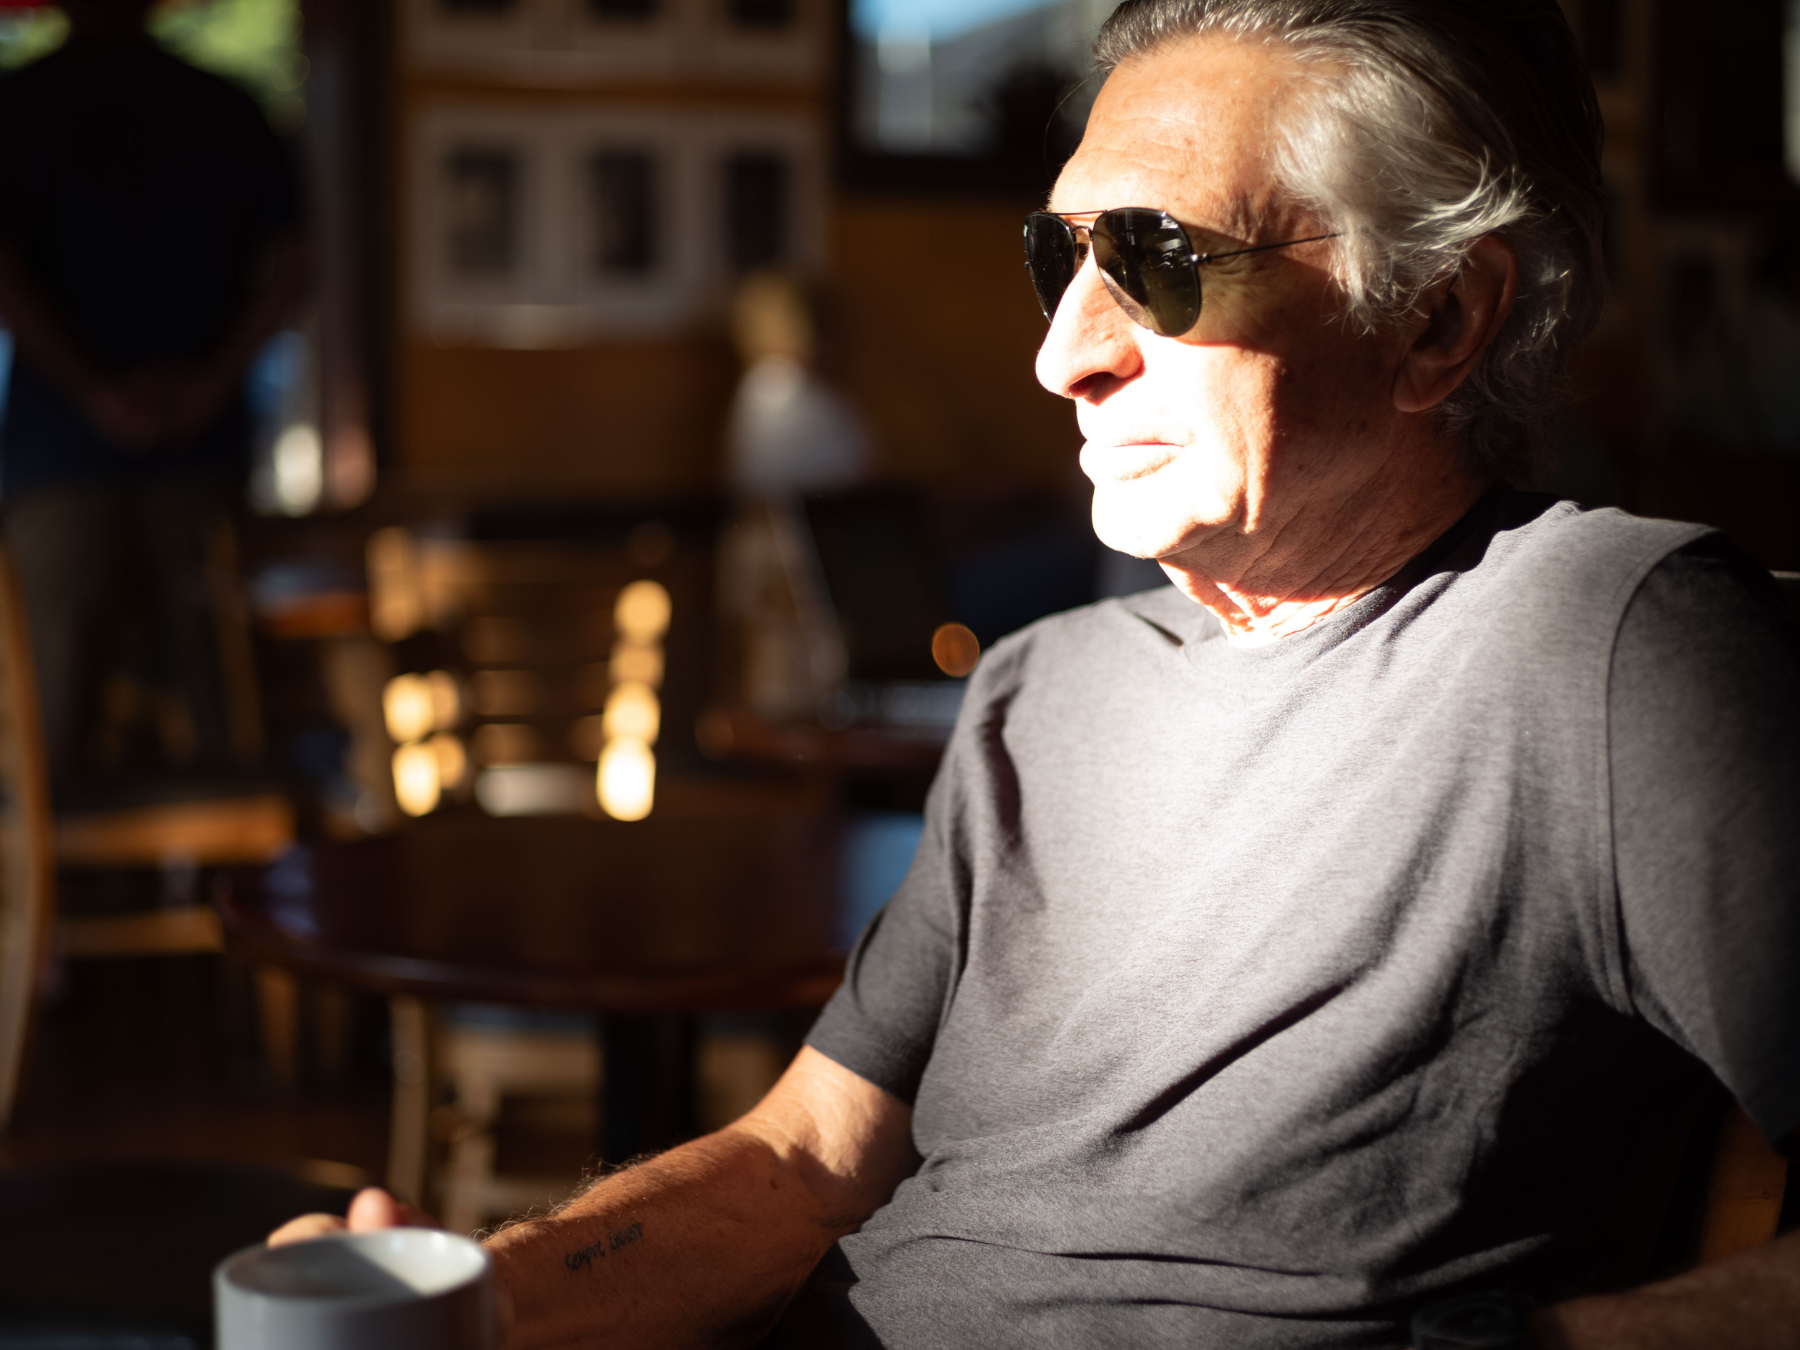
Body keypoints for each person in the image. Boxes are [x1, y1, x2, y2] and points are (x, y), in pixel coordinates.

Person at [276, 2, 1800, 1345]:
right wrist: (483, 1302)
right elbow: (804, 1156)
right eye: (1058, 256)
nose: (1062, 353)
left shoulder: (1609, 645)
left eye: (1156, 260)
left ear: (1437, 318)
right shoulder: (1041, 690)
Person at [0, 0, 307, 792]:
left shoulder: (26, 103)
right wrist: (202, 382)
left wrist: (100, 392)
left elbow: (290, 263)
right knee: (199, 706)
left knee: (66, 720)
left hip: (81, 445)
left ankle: (74, 907)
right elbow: (289, 267)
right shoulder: (222, 104)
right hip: (136, 442)